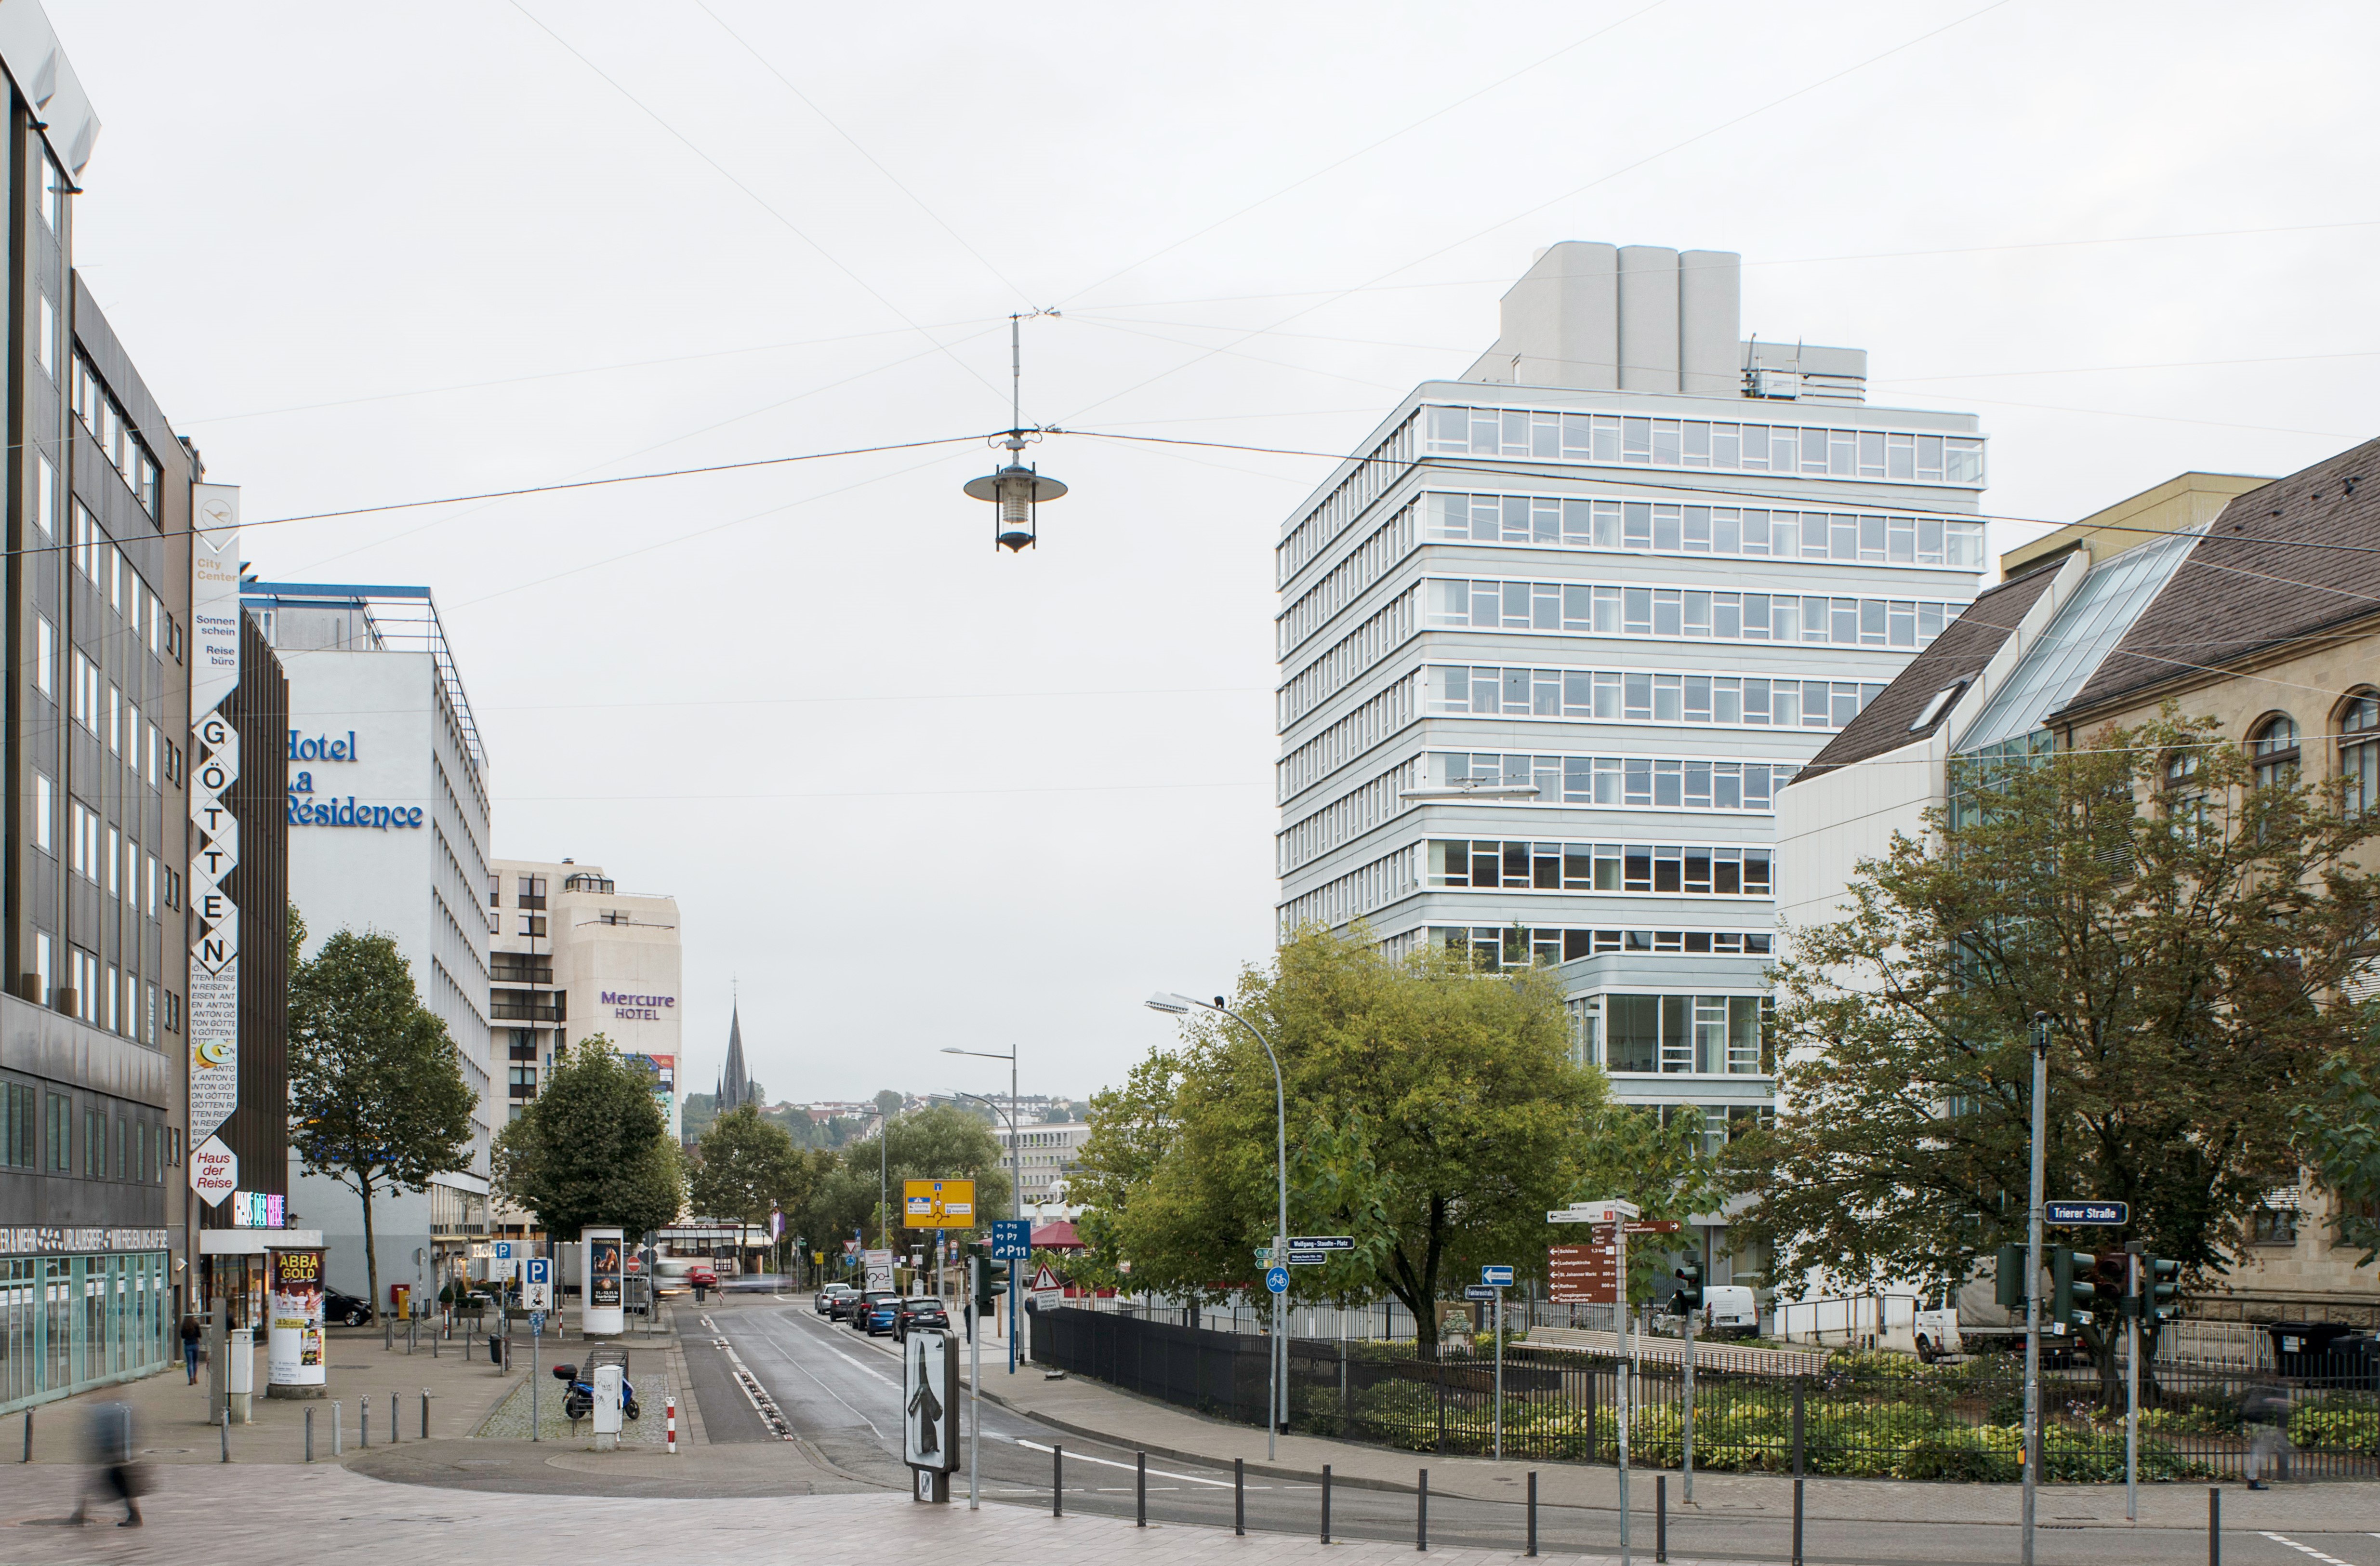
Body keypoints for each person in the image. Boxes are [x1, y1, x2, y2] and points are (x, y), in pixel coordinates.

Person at [68, 1401, 141, 1528]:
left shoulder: (108, 1409)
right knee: (117, 1485)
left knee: (112, 1484)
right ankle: (80, 1513)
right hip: (111, 1455)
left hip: (111, 1455)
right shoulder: (111, 1408)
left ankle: (80, 1514)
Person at [179, 1313, 202, 1384]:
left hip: (188, 1345)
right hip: (195, 1344)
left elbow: (183, 1337)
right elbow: (200, 1335)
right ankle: (195, 1377)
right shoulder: (196, 1325)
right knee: (195, 1362)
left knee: (190, 1363)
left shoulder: (184, 1326)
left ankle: (191, 1378)